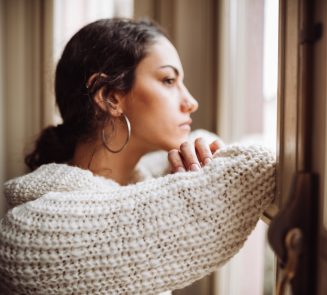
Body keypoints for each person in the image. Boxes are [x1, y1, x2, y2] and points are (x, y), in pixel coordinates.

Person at [0, 19, 276, 294]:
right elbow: (253, 169)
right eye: (169, 80)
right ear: (110, 97)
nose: (191, 102)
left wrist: (198, 147)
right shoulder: (34, 232)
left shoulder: (136, 185)